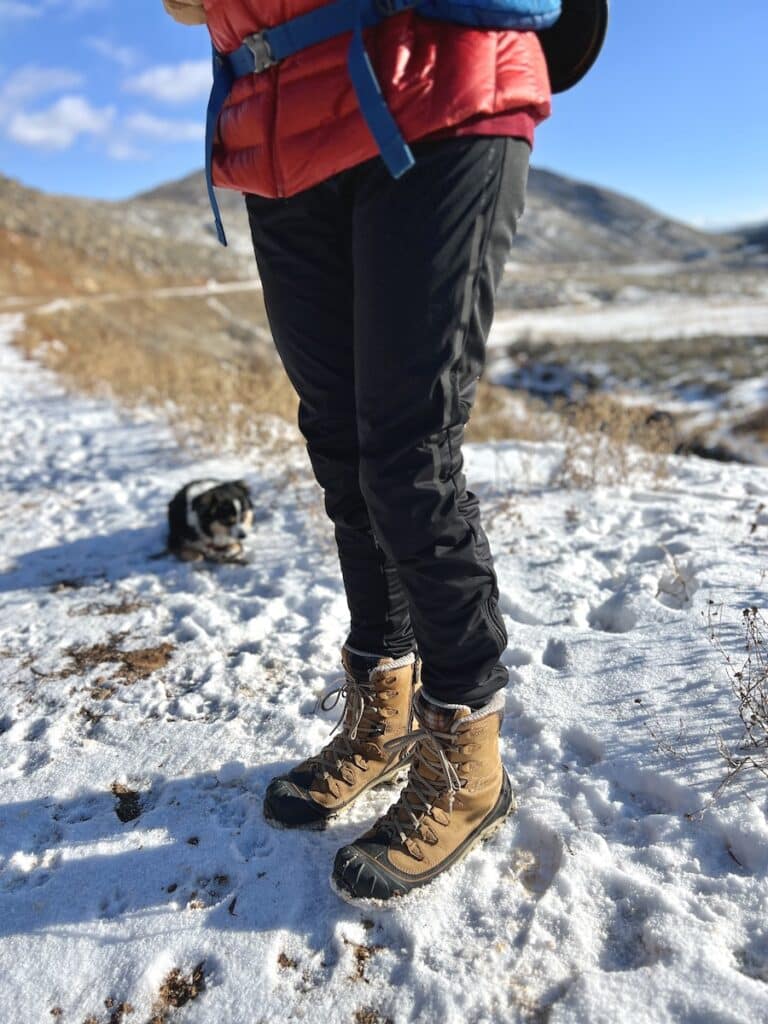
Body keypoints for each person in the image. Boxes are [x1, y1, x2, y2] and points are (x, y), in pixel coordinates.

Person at [163, 0, 551, 902]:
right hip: (279, 115)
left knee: (408, 457)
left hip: (436, 76)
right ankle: (381, 714)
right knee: (340, 447)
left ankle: (468, 763)